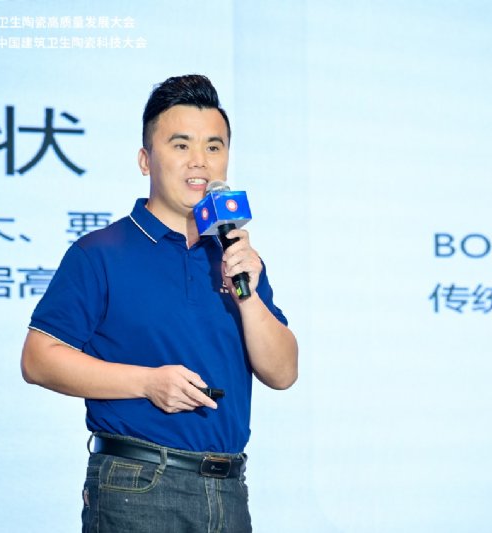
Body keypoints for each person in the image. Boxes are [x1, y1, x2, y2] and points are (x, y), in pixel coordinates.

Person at [21, 74, 298, 533]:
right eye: (181, 144)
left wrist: (247, 296)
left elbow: (283, 373)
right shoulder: (100, 253)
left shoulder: (236, 257)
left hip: (228, 490)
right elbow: (38, 359)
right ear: (145, 159)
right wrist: (147, 383)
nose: (199, 161)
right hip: (138, 487)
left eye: (214, 147)